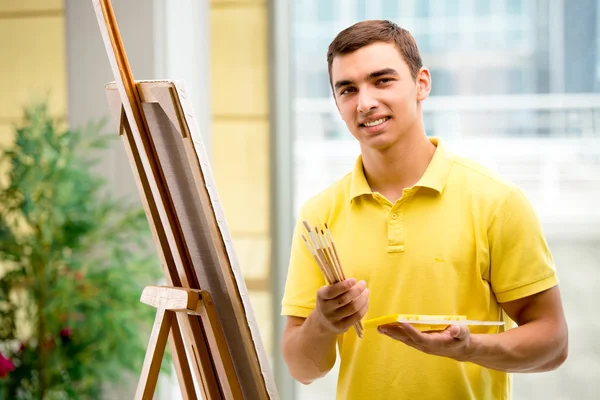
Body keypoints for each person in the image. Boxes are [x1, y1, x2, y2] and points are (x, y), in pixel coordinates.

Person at [280, 20, 568, 400]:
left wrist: (470, 349)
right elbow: (303, 370)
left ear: (422, 84)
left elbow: (553, 342)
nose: (365, 102)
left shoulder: (495, 202)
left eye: (382, 81)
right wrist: (323, 323)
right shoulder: (318, 216)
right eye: (347, 89)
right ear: (337, 103)